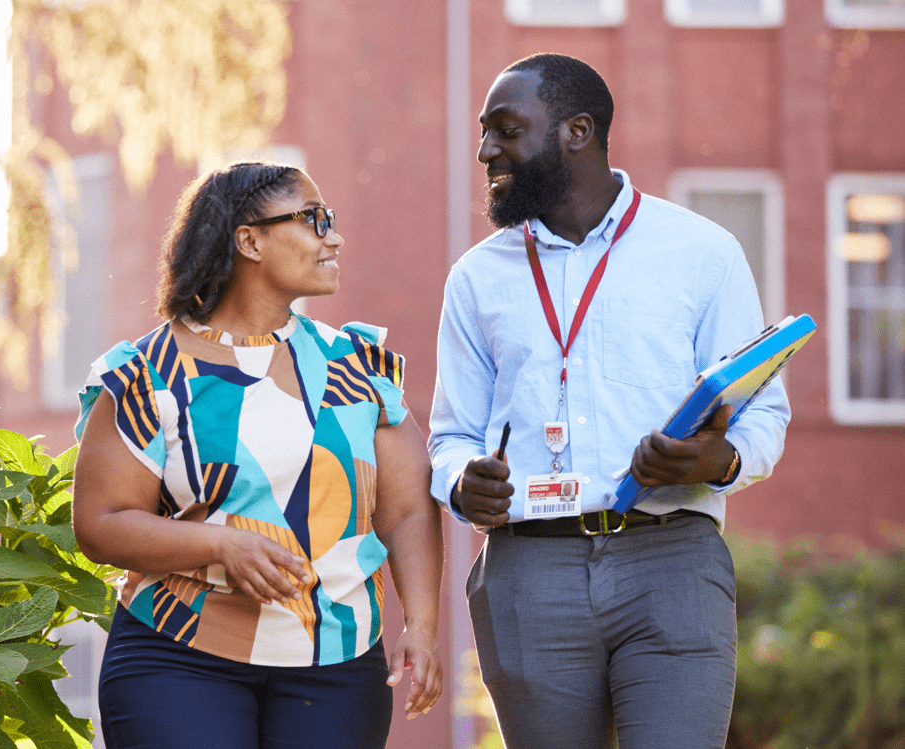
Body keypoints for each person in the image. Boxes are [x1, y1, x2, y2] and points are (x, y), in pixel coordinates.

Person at [428, 54, 790, 749]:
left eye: (505, 130)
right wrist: (460, 482)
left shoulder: (701, 252)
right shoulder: (475, 278)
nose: (484, 151)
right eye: (483, 133)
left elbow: (761, 412)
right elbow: (451, 436)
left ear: (577, 131)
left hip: (671, 558)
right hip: (528, 567)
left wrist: (716, 460)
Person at [73, 162, 443, 749]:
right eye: (314, 220)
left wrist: (421, 626)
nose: (334, 236)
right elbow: (100, 524)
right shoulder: (149, 375)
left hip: (338, 667)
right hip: (179, 655)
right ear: (249, 241)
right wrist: (220, 543)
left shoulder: (361, 367)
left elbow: (407, 511)